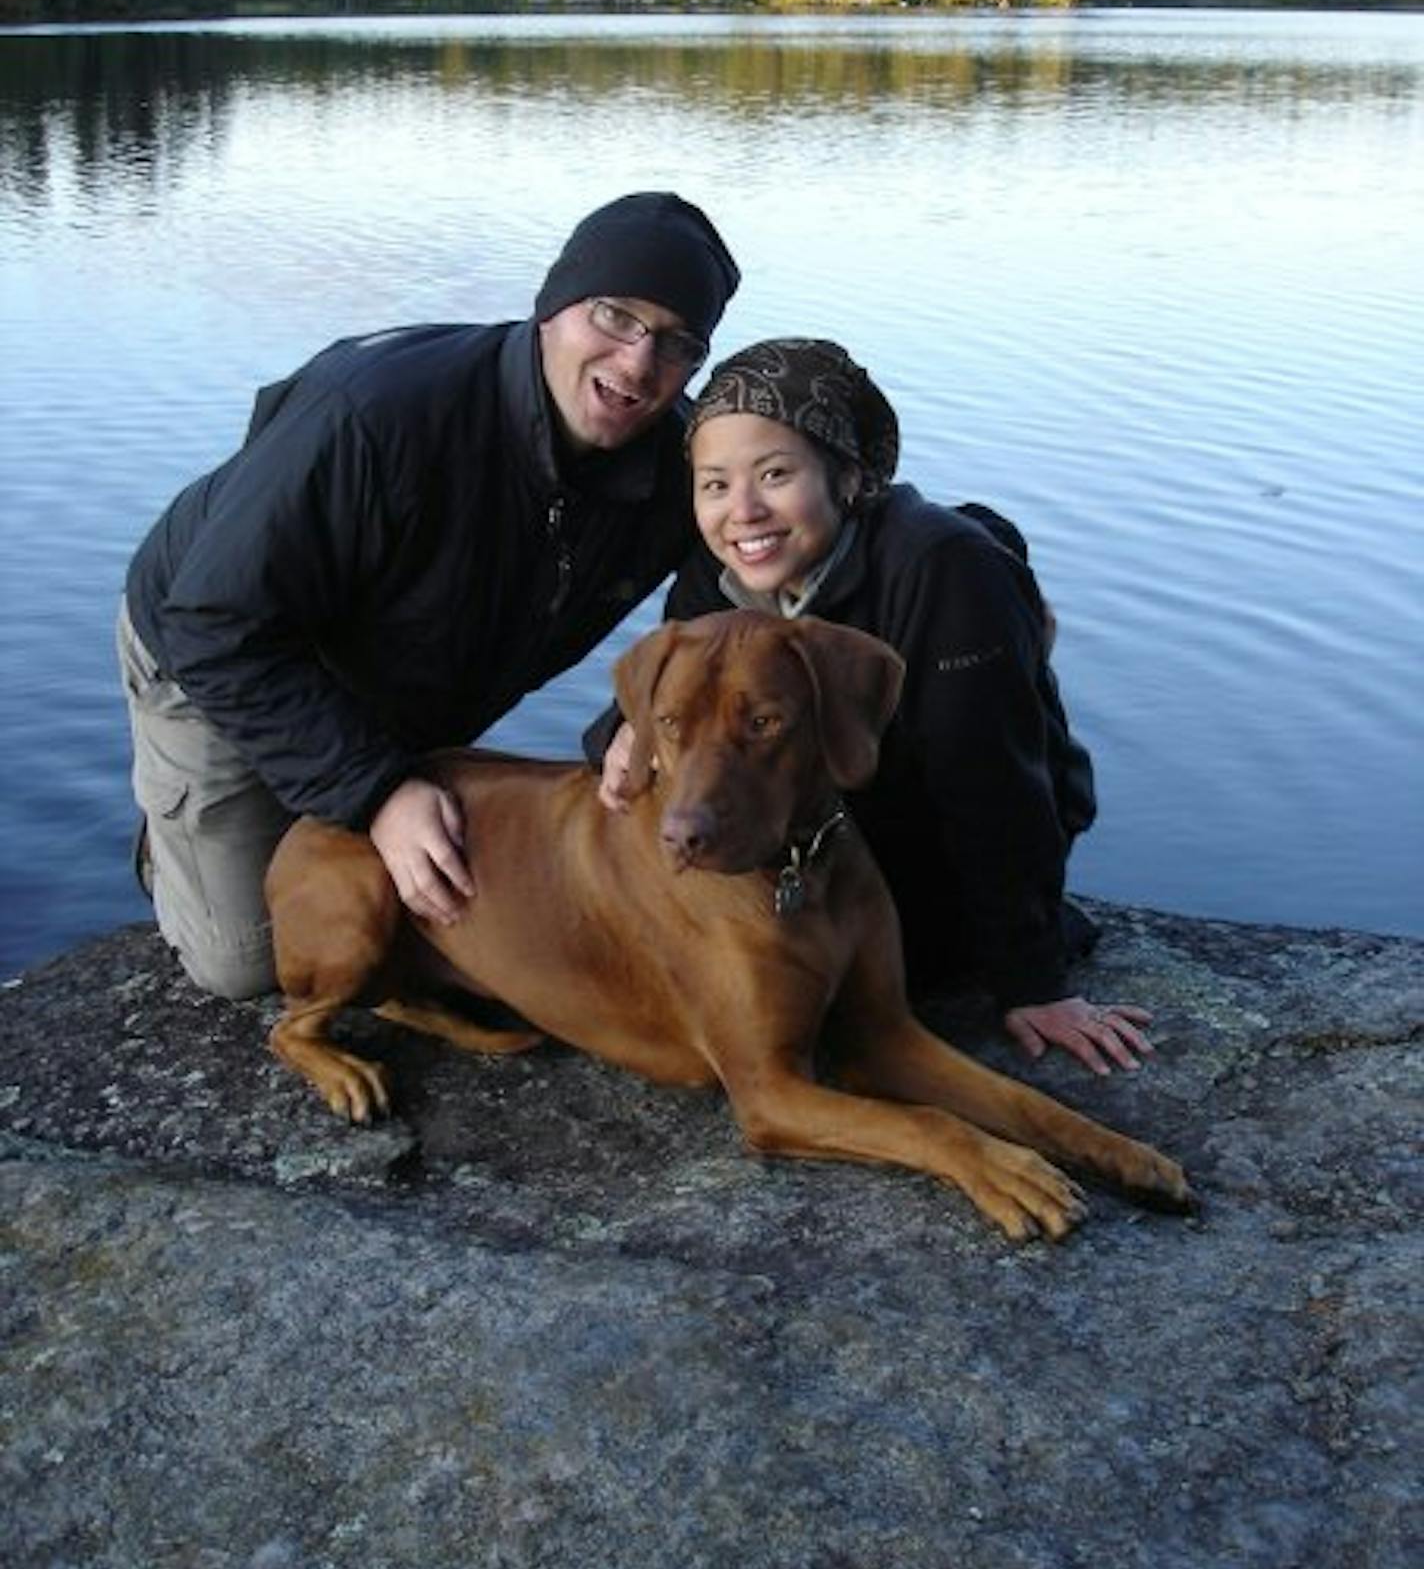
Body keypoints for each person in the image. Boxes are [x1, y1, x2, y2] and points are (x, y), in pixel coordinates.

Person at [119, 191, 740, 1001]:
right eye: (615, 316)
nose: (636, 364)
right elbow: (213, 620)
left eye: (675, 342)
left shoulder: (677, 463)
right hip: (216, 647)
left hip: (405, 666)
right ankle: (178, 844)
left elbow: (717, 577)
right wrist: (378, 792)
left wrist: (633, 722)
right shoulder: (378, 415)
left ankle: (331, 790)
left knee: (455, 909)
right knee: (251, 963)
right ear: (553, 306)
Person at [596, 337, 1154, 1077]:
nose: (744, 511)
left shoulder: (945, 574)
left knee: (846, 1011)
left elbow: (995, 786)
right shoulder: (719, 569)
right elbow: (674, 702)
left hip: (932, 845)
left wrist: (1032, 981)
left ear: (849, 476)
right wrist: (623, 729)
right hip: (826, 832)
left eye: (775, 473)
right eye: (714, 484)